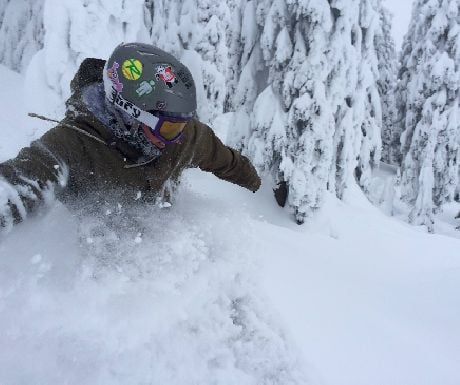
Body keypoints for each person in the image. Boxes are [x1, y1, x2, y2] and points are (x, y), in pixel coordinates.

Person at [0, 43, 261, 231]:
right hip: (100, 271)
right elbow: (20, 183)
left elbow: (226, 161)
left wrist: (257, 186)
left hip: (163, 250)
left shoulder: (184, 135)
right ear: (130, 114)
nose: (176, 138)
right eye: (168, 128)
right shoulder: (71, 145)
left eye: (182, 125)